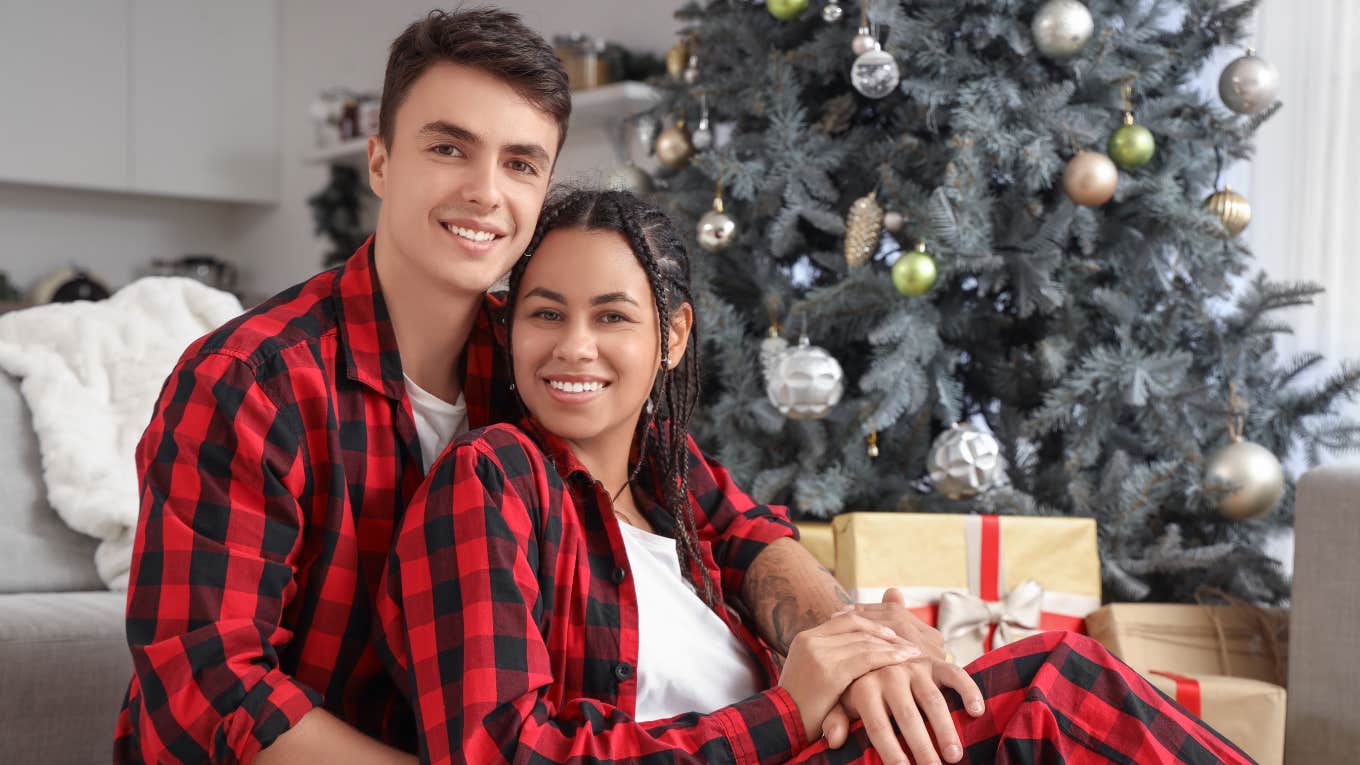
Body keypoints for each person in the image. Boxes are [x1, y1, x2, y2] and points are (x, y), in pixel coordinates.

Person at [114, 9, 945, 764]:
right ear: (379, 159)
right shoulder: (249, 385)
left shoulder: (540, 358)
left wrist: (850, 635)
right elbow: (210, 695)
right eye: (449, 148)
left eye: (520, 163)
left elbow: (723, 515)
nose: (485, 191)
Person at [377, 187, 1256, 765]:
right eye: (545, 313)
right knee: (1052, 693)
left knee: (1050, 694)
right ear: (512, 329)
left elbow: (767, 545)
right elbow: (503, 752)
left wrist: (864, 652)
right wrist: (788, 711)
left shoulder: (673, 487)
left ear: (672, 337)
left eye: (613, 316)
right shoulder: (490, 483)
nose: (575, 346)